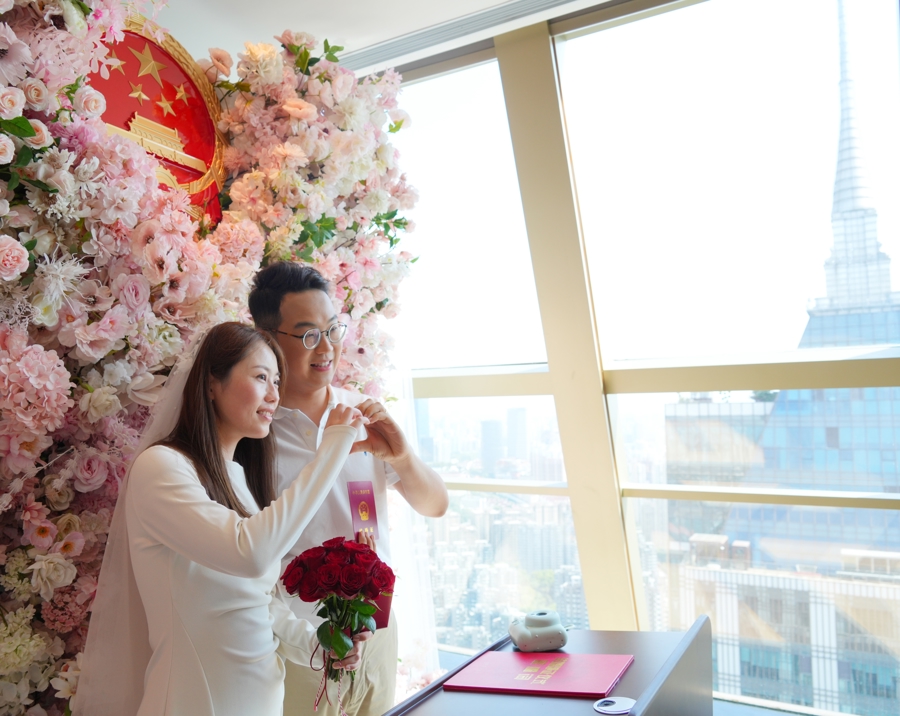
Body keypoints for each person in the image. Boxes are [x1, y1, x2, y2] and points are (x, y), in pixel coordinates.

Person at [74, 322, 370, 716]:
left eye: (276, 381)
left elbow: (257, 605)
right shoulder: (161, 467)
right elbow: (250, 554)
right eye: (261, 377)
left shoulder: (240, 481)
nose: (274, 394)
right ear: (212, 383)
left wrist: (322, 644)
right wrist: (335, 445)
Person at [248, 262, 450, 716]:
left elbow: (435, 505)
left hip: (376, 631)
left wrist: (401, 457)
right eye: (308, 335)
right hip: (298, 644)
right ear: (267, 339)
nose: (326, 348)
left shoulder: (363, 413)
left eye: (332, 329)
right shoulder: (254, 432)